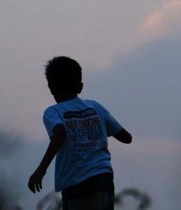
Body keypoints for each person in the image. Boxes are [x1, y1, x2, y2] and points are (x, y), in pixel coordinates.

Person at [28, 56, 132, 209]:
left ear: (51, 87)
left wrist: (41, 170)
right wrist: (96, 130)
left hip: (75, 183)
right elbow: (126, 138)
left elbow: (60, 133)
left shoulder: (53, 112)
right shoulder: (96, 108)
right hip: (103, 177)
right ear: (80, 87)